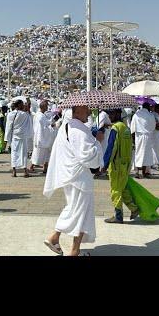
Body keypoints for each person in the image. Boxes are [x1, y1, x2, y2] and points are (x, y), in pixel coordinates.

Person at [43, 104, 104, 256]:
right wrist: (98, 142)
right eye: (86, 109)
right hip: (79, 177)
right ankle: (55, 237)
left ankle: (72, 249)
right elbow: (86, 156)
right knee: (79, 211)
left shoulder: (68, 126)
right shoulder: (78, 130)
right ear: (76, 111)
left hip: (71, 175)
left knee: (78, 210)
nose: (89, 112)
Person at [103, 109, 139, 223]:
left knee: (115, 190)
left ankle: (118, 216)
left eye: (111, 113)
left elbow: (111, 148)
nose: (109, 116)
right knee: (122, 189)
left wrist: (104, 164)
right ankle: (134, 208)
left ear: (117, 114)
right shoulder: (126, 128)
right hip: (125, 164)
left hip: (116, 165)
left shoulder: (116, 128)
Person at [5, 99, 32, 178]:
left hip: (14, 136)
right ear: (19, 105)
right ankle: (25, 171)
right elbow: (29, 116)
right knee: (23, 154)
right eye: (22, 104)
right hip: (23, 136)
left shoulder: (10, 114)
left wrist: (7, 139)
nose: (23, 105)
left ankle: (14, 171)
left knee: (14, 153)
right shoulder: (24, 115)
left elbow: (8, 127)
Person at [130, 102, 156, 178]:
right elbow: (153, 127)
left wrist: (132, 137)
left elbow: (132, 127)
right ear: (148, 107)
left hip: (139, 136)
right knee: (147, 154)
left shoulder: (136, 115)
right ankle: (144, 172)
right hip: (148, 136)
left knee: (139, 153)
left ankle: (137, 172)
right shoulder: (151, 115)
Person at [30, 100, 57, 174]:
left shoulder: (40, 115)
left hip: (41, 137)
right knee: (38, 154)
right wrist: (51, 126)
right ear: (43, 107)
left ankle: (45, 167)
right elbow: (43, 128)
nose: (47, 108)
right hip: (41, 138)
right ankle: (32, 166)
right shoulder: (40, 116)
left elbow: (45, 124)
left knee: (45, 153)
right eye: (46, 106)